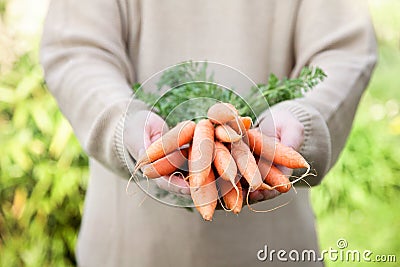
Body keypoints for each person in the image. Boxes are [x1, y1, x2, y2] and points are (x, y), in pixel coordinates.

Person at [40, 0, 377, 266]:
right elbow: (76, 49)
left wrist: (303, 119)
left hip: (272, 247)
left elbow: (345, 49)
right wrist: (126, 123)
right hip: (130, 247)